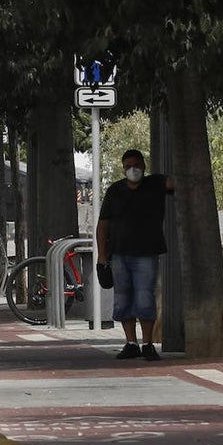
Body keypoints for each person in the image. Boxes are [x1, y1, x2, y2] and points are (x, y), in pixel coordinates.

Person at [96, 149, 175, 361]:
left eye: (137, 165)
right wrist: (102, 255)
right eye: (128, 166)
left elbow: (176, 183)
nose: (133, 169)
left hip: (146, 254)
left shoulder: (155, 184)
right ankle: (131, 343)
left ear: (144, 166)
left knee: (144, 297)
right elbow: (102, 225)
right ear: (123, 169)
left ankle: (147, 343)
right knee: (122, 299)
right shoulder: (115, 191)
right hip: (119, 255)